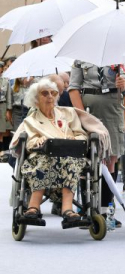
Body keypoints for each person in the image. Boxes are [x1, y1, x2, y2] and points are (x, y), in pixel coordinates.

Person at [10, 78, 111, 226]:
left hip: (70, 153)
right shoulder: (30, 120)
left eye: (53, 93)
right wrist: (38, 141)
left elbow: (81, 134)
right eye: (45, 93)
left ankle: (67, 209)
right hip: (41, 155)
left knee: (71, 162)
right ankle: (33, 207)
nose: (50, 96)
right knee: (42, 162)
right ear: (36, 100)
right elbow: (29, 141)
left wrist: (74, 138)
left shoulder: (68, 113)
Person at [69, 60, 125, 211]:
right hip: (89, 109)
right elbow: (73, 88)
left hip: (113, 108)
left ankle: (105, 210)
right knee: (86, 160)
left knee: (111, 159)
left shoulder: (119, 54)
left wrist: (124, 83)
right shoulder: (80, 58)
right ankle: (87, 208)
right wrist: (82, 115)